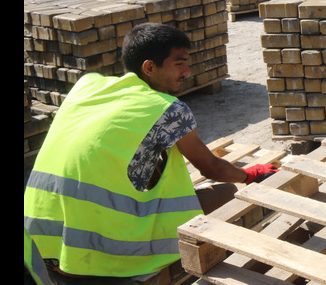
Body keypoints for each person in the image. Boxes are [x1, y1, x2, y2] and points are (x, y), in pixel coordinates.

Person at [24, 23, 277, 279]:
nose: (187, 71)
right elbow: (210, 168)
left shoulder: (87, 86)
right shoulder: (169, 109)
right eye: (179, 64)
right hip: (98, 256)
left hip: (37, 245)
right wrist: (248, 175)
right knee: (228, 192)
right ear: (149, 67)